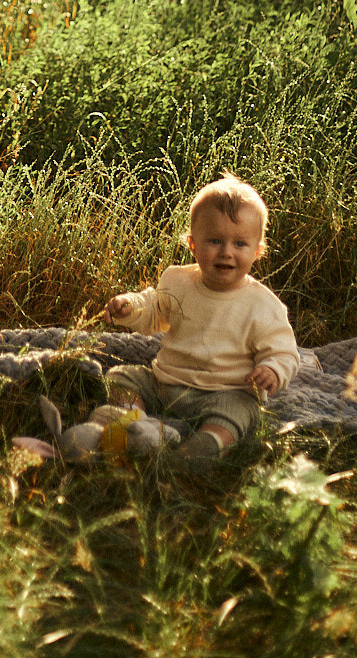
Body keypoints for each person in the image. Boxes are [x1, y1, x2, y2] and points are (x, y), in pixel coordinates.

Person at [103, 174, 298, 462]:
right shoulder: (178, 280)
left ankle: (205, 446)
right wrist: (131, 307)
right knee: (121, 377)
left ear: (257, 251)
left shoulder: (262, 305)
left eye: (240, 244)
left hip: (226, 391)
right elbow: (155, 310)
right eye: (215, 241)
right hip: (166, 385)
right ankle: (137, 424)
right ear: (193, 244)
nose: (226, 252)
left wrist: (272, 369)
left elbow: (284, 351)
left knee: (242, 413)